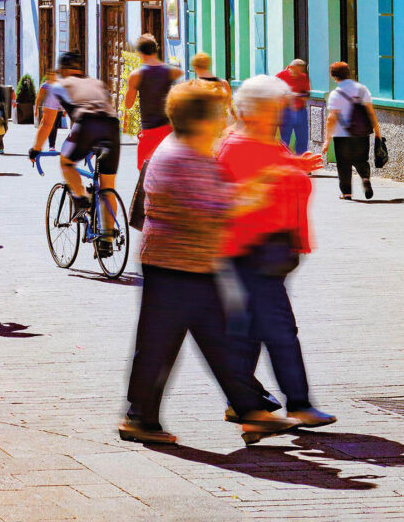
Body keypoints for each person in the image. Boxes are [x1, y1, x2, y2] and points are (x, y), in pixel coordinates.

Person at [120, 81, 298, 446]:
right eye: (218, 114)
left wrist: (258, 181)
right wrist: (256, 195)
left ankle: (248, 411)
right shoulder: (180, 156)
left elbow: (213, 199)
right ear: (201, 120)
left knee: (214, 341)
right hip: (176, 265)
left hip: (188, 263)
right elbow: (213, 211)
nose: (223, 121)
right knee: (166, 345)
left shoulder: (187, 149)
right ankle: (141, 418)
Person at [218, 75, 335, 429]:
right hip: (254, 249)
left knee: (252, 330)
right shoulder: (236, 145)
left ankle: (242, 402)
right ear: (258, 110)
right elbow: (231, 198)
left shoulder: (263, 140)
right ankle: (298, 403)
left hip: (274, 247)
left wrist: (298, 165)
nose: (283, 114)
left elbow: (273, 170)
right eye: (277, 108)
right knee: (281, 329)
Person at [30, 51, 121, 254]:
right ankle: (107, 239)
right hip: (113, 128)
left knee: (66, 162)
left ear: (62, 70)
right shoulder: (96, 83)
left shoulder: (59, 87)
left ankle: (82, 198)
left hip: (87, 124)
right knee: (107, 186)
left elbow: (46, 124)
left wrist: (36, 148)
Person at [322, 61, 382, 200]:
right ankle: (365, 178)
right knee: (362, 160)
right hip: (362, 133)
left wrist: (327, 139)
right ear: (349, 73)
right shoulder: (362, 89)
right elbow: (370, 112)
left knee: (344, 164)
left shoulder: (336, 94)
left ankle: (347, 192)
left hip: (342, 135)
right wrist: (377, 130)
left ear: (334, 77)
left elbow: (331, 118)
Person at [125, 35, 182, 170]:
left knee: (144, 169)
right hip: (168, 128)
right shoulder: (172, 71)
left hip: (149, 130)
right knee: (169, 168)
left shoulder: (136, 75)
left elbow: (129, 104)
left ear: (139, 52)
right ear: (156, 50)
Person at [277, 59, 311, 155]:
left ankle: (301, 162)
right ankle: (284, 162)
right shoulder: (281, 76)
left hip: (301, 111)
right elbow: (275, 91)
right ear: (292, 67)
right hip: (285, 111)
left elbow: (307, 94)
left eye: (302, 68)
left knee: (302, 139)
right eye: (299, 68)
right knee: (285, 140)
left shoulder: (303, 77)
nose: (301, 71)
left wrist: (297, 95)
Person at [34, 68, 66, 150]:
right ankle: (47, 146)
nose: (53, 76)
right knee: (48, 126)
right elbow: (39, 98)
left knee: (54, 127)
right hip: (48, 109)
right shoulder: (45, 85)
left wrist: (64, 109)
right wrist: (36, 109)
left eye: (54, 75)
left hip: (58, 109)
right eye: (51, 75)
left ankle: (52, 145)